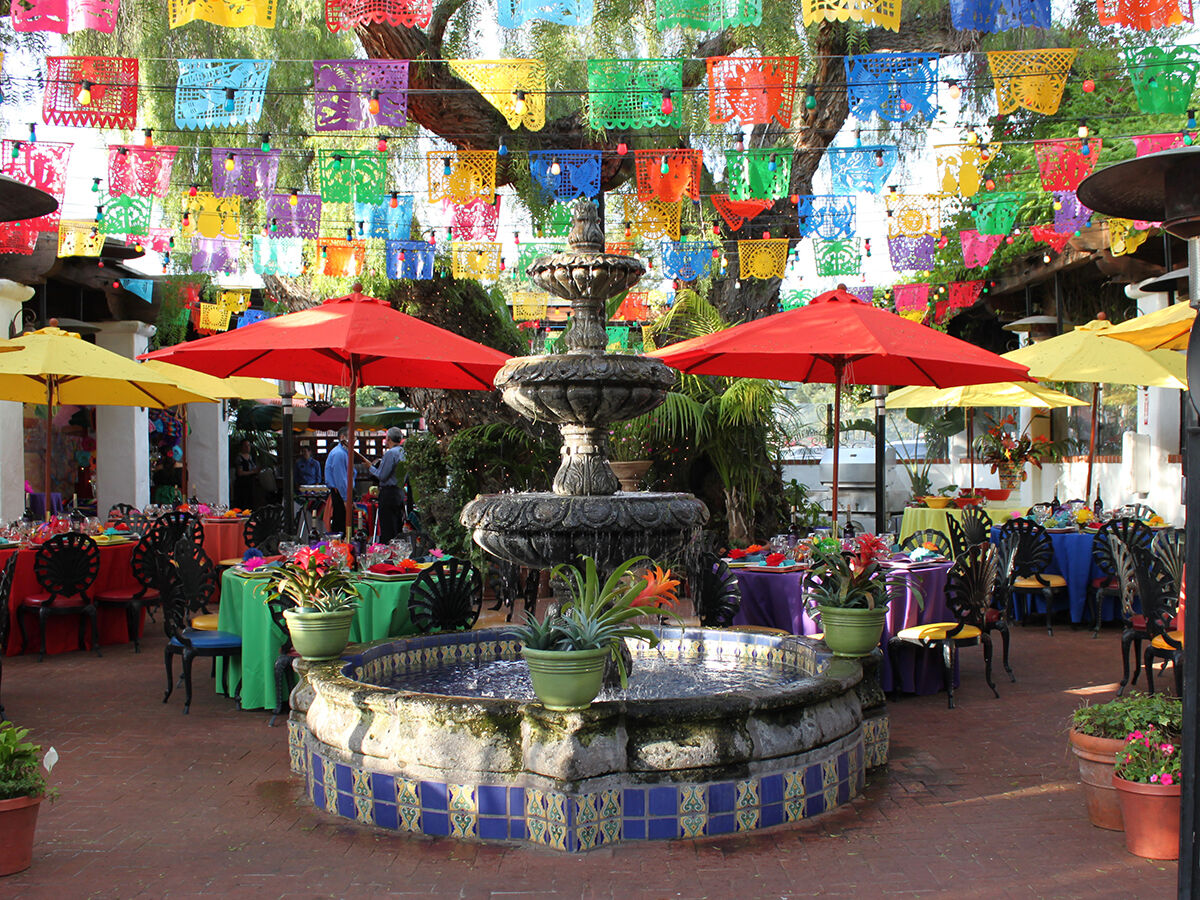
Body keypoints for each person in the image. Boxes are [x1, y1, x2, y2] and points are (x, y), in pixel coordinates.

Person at [369, 427, 407, 543]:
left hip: (389, 493)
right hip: (399, 492)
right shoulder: (403, 452)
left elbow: (383, 475)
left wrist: (370, 468)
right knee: (396, 526)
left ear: (388, 439)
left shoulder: (391, 454)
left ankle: (388, 554)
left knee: (388, 527)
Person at [324, 428, 354, 537]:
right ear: (343, 438)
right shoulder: (339, 454)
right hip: (340, 494)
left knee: (345, 526)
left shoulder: (344, 452)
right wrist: (346, 499)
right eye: (352, 437)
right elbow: (340, 479)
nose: (354, 440)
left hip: (343, 492)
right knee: (341, 526)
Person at [232, 439, 259, 510]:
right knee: (242, 502)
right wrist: (252, 472)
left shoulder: (250, 457)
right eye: (245, 446)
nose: (247, 447)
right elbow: (240, 472)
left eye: (248, 446)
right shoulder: (239, 458)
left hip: (250, 483)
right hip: (242, 484)